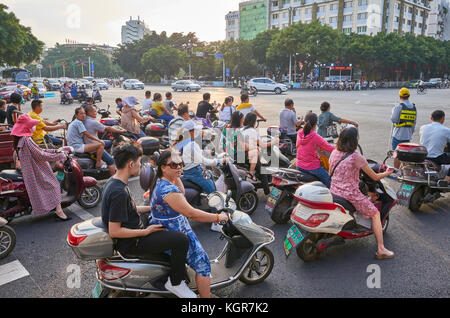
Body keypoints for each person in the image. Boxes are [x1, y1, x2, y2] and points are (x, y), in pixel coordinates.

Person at [102, 144, 196, 298]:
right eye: (139, 162)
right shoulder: (118, 192)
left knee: (160, 222)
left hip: (134, 230)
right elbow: (115, 231)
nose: (141, 165)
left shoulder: (114, 182)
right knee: (181, 240)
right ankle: (176, 283)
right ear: (131, 164)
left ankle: (167, 270)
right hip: (133, 242)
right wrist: (146, 231)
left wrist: (151, 208)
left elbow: (130, 210)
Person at [149, 150, 229, 298]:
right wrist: (218, 217)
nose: (179, 167)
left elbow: (182, 191)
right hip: (176, 234)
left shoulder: (162, 182)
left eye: (181, 164)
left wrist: (176, 174)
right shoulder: (167, 190)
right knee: (204, 265)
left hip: (169, 229)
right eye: (174, 165)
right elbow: (192, 214)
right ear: (163, 167)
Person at [329, 128, 395, 259]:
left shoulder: (334, 152)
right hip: (350, 194)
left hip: (334, 190)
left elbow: (331, 171)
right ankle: (381, 249)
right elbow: (375, 177)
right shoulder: (356, 157)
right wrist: (388, 172)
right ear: (355, 140)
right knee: (375, 214)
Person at [11, 114, 71, 221]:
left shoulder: (19, 139)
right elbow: (41, 155)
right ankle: (59, 211)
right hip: (36, 170)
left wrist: (54, 151)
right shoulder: (26, 140)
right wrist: (58, 155)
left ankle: (55, 208)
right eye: (31, 125)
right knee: (54, 185)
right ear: (26, 127)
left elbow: (39, 151)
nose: (33, 127)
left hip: (30, 169)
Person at [178, 121, 226, 194]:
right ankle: (215, 204)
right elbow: (204, 161)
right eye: (195, 130)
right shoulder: (191, 144)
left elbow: (192, 153)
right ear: (191, 132)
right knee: (213, 190)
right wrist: (219, 161)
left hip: (189, 171)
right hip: (194, 172)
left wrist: (206, 152)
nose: (197, 131)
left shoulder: (185, 142)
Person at [84, 105, 126, 176]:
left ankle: (105, 159)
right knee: (111, 161)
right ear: (89, 113)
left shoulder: (84, 119)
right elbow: (107, 128)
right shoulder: (93, 122)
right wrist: (121, 131)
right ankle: (113, 179)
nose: (96, 113)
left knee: (109, 142)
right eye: (94, 112)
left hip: (88, 143)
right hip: (94, 146)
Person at [296, 113, 335, 188]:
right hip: (312, 168)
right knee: (331, 182)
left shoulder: (300, 132)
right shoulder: (315, 137)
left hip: (299, 165)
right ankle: (334, 198)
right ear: (316, 124)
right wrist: (341, 148)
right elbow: (330, 148)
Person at [241, 113, 278, 187]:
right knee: (263, 165)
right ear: (254, 122)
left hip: (241, 153)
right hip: (248, 154)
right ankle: (267, 189)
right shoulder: (253, 131)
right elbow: (263, 145)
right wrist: (274, 141)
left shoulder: (242, 129)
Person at [420, 110, 450, 182]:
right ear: (443, 118)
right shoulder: (446, 130)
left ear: (431, 118)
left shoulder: (423, 128)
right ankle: (447, 178)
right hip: (436, 158)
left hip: (422, 156)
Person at [391, 88, 417, 168]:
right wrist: (411, 133)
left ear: (400, 96)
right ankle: (404, 171)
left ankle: (396, 170)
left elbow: (393, 119)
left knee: (396, 154)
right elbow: (414, 122)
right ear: (408, 96)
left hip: (398, 135)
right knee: (405, 154)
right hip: (408, 135)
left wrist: (392, 112)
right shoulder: (413, 107)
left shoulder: (399, 107)